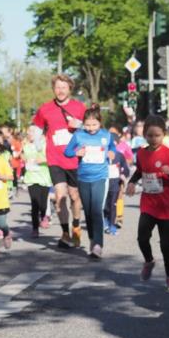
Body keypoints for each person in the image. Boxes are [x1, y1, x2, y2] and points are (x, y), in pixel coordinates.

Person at [126, 115, 169, 290]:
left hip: (166, 205)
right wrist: (131, 182)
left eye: (157, 135)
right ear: (144, 134)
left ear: (164, 134)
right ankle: (149, 261)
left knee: (166, 244)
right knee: (142, 238)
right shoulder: (142, 153)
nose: (153, 139)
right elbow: (139, 171)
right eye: (150, 135)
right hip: (148, 204)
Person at [32, 74, 86, 248]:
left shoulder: (79, 107)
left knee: (75, 196)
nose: (60, 91)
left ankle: (76, 226)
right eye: (57, 87)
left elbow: (91, 128)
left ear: (70, 88)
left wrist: (79, 125)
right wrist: (38, 146)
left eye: (64, 87)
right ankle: (64, 233)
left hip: (75, 158)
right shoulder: (45, 108)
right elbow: (37, 128)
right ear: (53, 89)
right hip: (55, 158)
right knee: (60, 196)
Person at [64, 107, 113, 259]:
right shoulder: (79, 135)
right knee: (89, 212)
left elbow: (112, 148)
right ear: (83, 124)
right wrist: (76, 152)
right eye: (88, 125)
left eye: (94, 125)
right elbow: (67, 151)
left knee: (97, 210)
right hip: (83, 177)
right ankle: (93, 238)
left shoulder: (106, 135)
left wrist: (112, 152)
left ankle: (98, 244)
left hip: (100, 176)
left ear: (100, 123)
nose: (91, 128)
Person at [22, 125, 51, 238]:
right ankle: (35, 229)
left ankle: (44, 215)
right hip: (31, 177)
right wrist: (24, 158)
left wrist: (43, 160)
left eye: (31, 131)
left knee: (43, 205)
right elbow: (23, 156)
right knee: (35, 203)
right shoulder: (26, 145)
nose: (29, 133)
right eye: (28, 131)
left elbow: (53, 158)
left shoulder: (45, 145)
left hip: (44, 177)